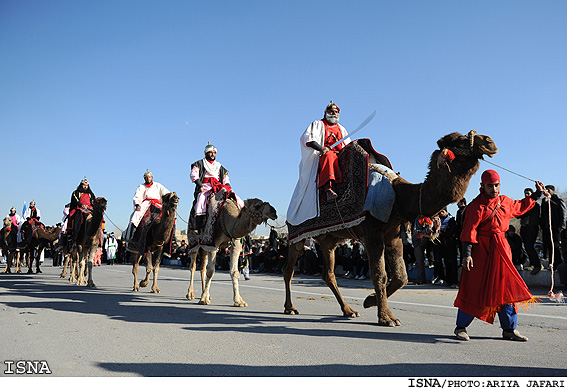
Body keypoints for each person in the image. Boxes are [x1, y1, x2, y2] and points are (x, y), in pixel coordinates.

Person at [453, 169, 545, 342]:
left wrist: (538, 193)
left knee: (506, 288)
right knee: (475, 288)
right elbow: (469, 231)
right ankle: (460, 327)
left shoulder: (505, 201)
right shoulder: (475, 206)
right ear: (482, 186)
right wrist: (467, 255)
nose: (494, 189)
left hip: (502, 250)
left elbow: (520, 206)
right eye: (490, 186)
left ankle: (509, 329)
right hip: (480, 252)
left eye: (496, 185)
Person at [287, 101, 351, 226]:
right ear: (326, 113)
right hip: (322, 155)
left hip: (340, 155)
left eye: (336, 112)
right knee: (329, 156)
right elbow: (308, 138)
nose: (334, 113)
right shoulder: (318, 124)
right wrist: (321, 148)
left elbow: (347, 144)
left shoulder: (342, 129)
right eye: (331, 111)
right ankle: (328, 188)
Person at [190, 143, 239, 234]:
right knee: (201, 199)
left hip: (217, 186)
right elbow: (194, 175)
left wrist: (227, 186)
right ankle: (197, 226)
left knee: (232, 195)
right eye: (210, 152)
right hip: (205, 187)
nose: (213, 154)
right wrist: (200, 185)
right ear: (205, 153)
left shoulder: (219, 165)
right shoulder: (199, 163)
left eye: (214, 153)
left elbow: (225, 178)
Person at [126, 170, 170, 246]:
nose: (148, 179)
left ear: (152, 178)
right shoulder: (141, 187)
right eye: (146, 177)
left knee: (169, 215)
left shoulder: (157, 185)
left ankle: (171, 238)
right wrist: (137, 204)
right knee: (136, 215)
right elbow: (137, 196)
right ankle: (133, 236)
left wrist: (170, 196)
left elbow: (166, 192)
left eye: (149, 177)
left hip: (157, 203)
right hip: (145, 204)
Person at [539, 184, 566, 270]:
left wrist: (562, 225)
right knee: (548, 246)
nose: (546, 192)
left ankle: (558, 263)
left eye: (548, 190)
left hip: (556, 227)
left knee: (556, 246)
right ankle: (551, 264)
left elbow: (563, 213)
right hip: (546, 227)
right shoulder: (544, 201)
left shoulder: (557, 200)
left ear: (553, 191)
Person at [433, 207, 459, 287]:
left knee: (453, 263)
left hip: (451, 245)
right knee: (446, 263)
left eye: (442, 212)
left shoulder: (451, 220)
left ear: (446, 212)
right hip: (443, 245)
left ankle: (454, 281)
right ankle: (447, 280)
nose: (441, 214)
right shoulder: (439, 221)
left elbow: (452, 232)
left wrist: (441, 234)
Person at [518, 188, 541, 274]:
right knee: (526, 247)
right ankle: (532, 263)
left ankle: (537, 265)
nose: (526, 195)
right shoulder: (524, 203)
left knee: (530, 246)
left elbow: (523, 212)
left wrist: (521, 211)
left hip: (532, 227)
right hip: (524, 227)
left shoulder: (535, 205)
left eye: (528, 193)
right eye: (525, 193)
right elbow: (518, 214)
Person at [67, 177, 96, 243]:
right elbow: (76, 200)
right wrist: (82, 205)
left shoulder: (91, 194)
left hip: (89, 209)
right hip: (79, 208)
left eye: (86, 185)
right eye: (84, 185)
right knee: (71, 216)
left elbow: (93, 201)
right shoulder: (76, 192)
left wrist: (91, 207)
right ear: (81, 185)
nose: (85, 187)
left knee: (99, 216)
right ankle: (69, 233)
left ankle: (100, 232)